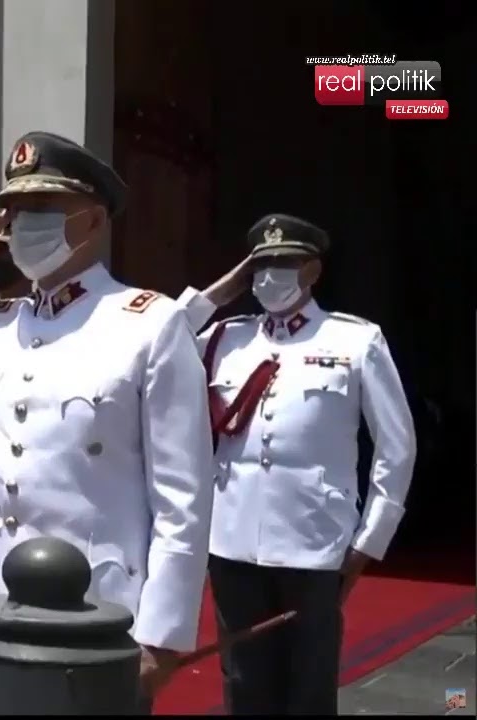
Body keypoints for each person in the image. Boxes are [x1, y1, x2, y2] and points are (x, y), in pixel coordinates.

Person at [0, 131, 217, 709]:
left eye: (43, 207)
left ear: (93, 220)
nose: (23, 224)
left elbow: (183, 493)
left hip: (94, 607)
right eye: (14, 210)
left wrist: (164, 635)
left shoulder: (148, 324)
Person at [174, 213, 417, 715]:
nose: (270, 276)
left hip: (315, 541)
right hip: (232, 538)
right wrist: (217, 294)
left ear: (313, 270)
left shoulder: (355, 340)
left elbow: (397, 446)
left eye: (284, 263)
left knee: (308, 685)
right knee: (244, 682)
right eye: (261, 265)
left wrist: (369, 542)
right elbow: (157, 341)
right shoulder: (226, 337)